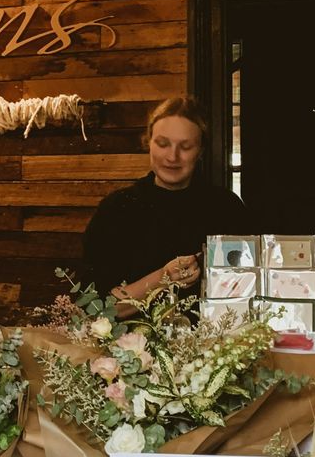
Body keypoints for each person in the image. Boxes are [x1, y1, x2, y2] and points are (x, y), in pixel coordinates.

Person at [82, 97, 252, 304]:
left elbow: (247, 291)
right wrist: (163, 278)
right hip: (129, 337)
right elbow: (96, 307)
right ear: (148, 143)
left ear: (201, 151)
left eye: (186, 146)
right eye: (163, 144)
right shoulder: (116, 209)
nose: (172, 156)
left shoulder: (226, 208)